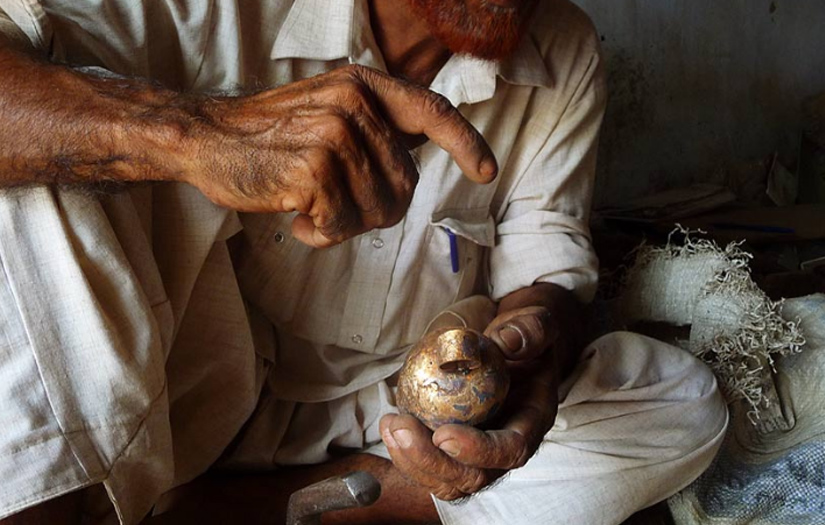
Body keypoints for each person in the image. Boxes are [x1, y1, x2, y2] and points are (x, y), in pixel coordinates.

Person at [0, 1, 728, 524]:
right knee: (27, 197)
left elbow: (547, 254)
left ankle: (259, 508)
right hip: (157, 410)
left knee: (676, 401)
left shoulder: (562, 46)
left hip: (386, 422)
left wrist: (535, 334)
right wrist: (199, 133)